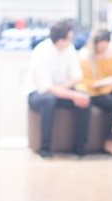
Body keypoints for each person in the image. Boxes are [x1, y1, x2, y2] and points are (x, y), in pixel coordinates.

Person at [28, 20, 91, 158]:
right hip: (38, 95)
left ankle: (79, 147)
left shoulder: (70, 49)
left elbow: (76, 77)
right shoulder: (41, 51)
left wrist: (63, 90)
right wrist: (70, 94)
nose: (72, 41)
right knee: (49, 100)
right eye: (70, 38)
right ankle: (45, 148)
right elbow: (46, 88)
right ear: (60, 41)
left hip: (61, 90)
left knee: (85, 99)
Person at [78, 29, 112, 155]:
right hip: (91, 92)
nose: (102, 49)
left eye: (105, 46)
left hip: (108, 90)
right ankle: (111, 137)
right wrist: (105, 82)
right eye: (100, 46)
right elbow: (86, 83)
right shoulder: (84, 55)